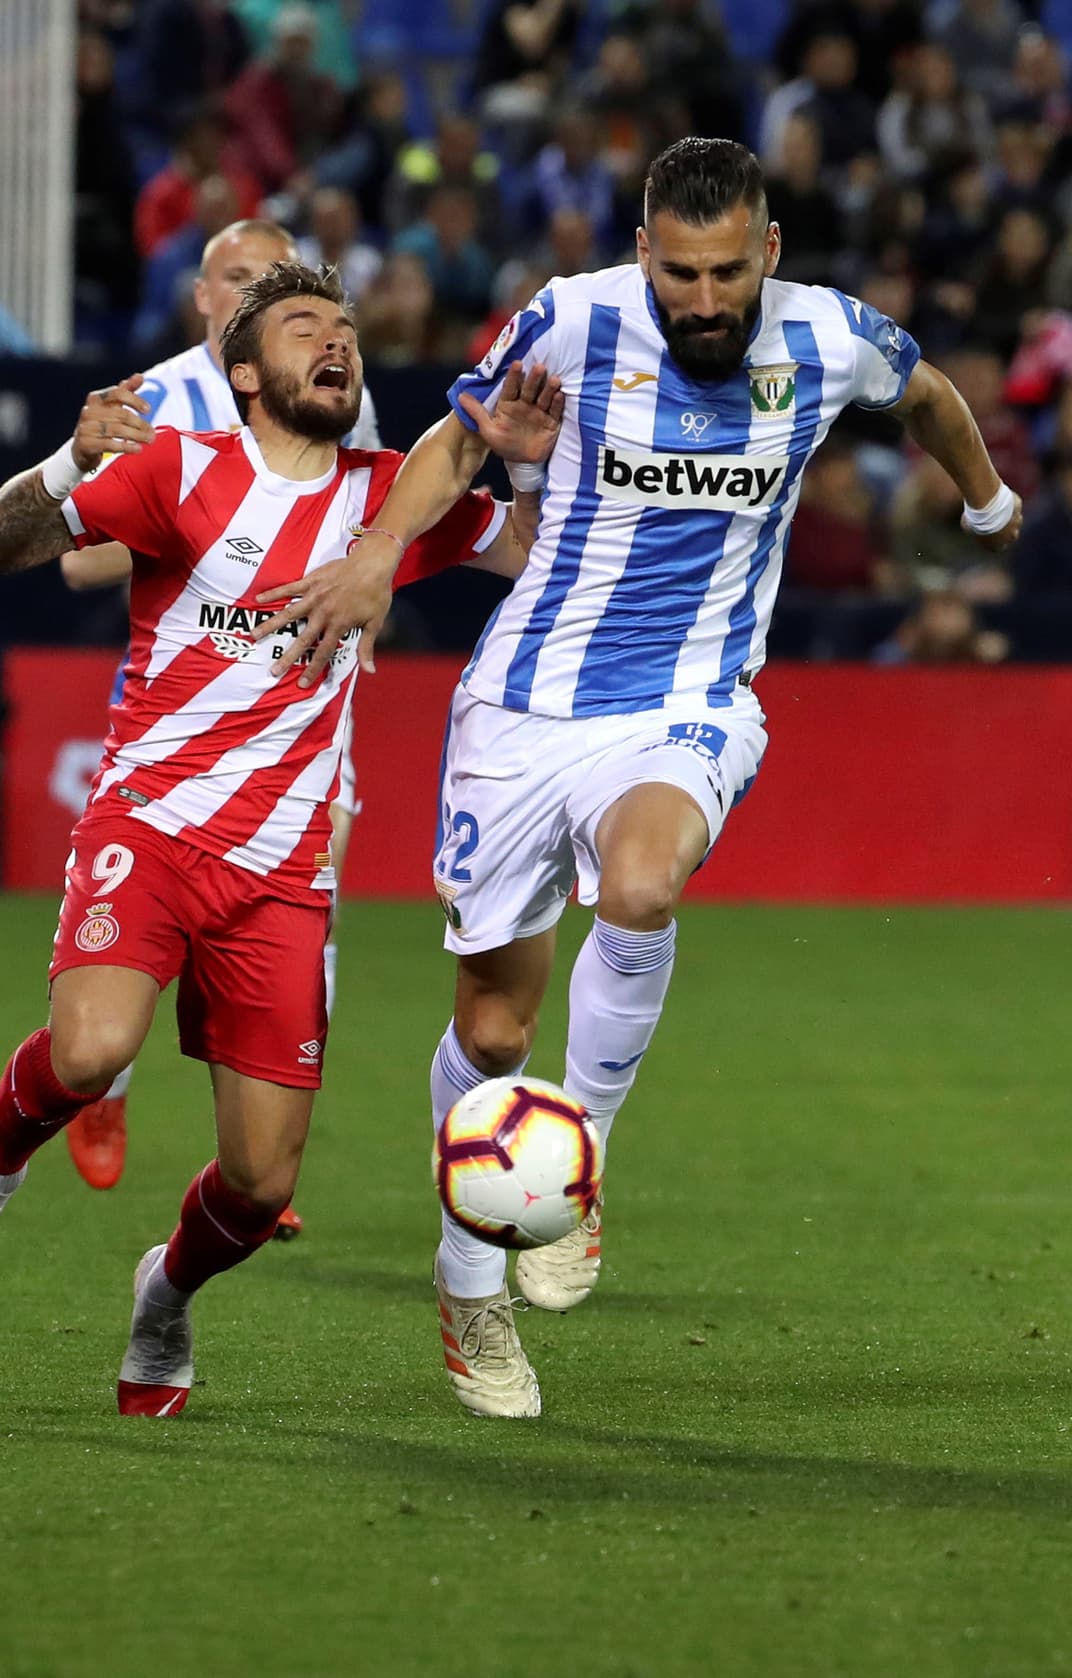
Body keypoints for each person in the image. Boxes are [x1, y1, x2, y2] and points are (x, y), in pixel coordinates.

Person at [251, 138, 1023, 1419]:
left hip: (688, 701)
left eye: (728, 273)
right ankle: (466, 1286)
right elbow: (451, 447)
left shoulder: (828, 338)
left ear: (767, 251)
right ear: (639, 254)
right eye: (680, 275)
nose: (706, 302)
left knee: (644, 884)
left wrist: (988, 504)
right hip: (522, 708)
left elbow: (930, 395)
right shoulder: (571, 319)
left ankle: (580, 1152)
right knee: (491, 1030)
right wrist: (383, 550)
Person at [0, 261, 563, 1421]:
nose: (336, 341)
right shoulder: (179, 470)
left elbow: (530, 551)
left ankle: (164, 1292)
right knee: (95, 1048)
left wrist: (516, 458)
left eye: (346, 327)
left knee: (258, 1187)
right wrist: (65, 461)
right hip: (147, 827)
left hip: (280, 875)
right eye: (305, 324)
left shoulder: (387, 500)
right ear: (243, 371)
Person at [60, 217, 379, 1197]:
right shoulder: (155, 400)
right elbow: (78, 557)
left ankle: (248, 1154)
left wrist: (363, 589)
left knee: (299, 906)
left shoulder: (333, 390)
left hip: (305, 697)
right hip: (182, 701)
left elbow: (373, 529)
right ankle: (104, 1075)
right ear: (202, 296)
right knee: (141, 941)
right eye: (233, 278)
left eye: (264, 278)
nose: (249, 293)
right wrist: (203, 547)